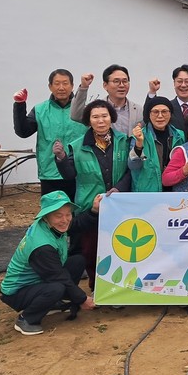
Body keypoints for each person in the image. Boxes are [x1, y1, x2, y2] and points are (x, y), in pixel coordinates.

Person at [54, 99, 131, 289]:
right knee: (90, 249)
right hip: (90, 206)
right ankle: (97, 286)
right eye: (95, 117)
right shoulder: (77, 146)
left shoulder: (124, 141)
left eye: (104, 116)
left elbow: (131, 171)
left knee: (120, 246)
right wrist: (61, 158)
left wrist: (119, 188)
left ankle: (119, 286)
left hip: (118, 204)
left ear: (112, 118)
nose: (101, 120)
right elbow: (69, 175)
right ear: (89, 121)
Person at [0, 191, 95, 336]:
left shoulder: (51, 225)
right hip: (17, 291)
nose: (65, 220)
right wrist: (82, 299)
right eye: (58, 215)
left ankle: (52, 303)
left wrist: (94, 211)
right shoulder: (42, 247)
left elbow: (77, 224)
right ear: (46, 216)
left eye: (68, 214)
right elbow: (58, 276)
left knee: (77, 261)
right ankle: (26, 319)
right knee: (56, 287)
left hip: (38, 279)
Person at [13, 69, 87, 198]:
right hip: (50, 172)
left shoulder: (84, 111)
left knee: (79, 208)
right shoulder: (40, 110)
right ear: (50, 86)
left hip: (80, 171)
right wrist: (20, 105)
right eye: (57, 83)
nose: (61, 87)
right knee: (52, 209)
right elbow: (23, 132)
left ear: (72, 86)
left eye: (65, 83)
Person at [129, 96, 185, 192]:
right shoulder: (139, 136)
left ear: (170, 114)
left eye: (164, 111)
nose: (160, 116)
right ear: (149, 114)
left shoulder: (179, 135)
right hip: (149, 191)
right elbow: (134, 166)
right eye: (155, 112)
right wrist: (139, 143)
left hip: (174, 189)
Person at [71, 64, 142, 136]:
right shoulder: (96, 108)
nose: (122, 85)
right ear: (105, 85)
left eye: (125, 81)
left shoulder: (138, 110)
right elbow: (76, 115)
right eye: (116, 81)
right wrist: (84, 87)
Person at [146, 64, 188, 131]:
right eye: (179, 81)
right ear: (174, 83)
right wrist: (152, 91)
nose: (183, 85)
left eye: (187, 81)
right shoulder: (167, 108)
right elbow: (148, 118)